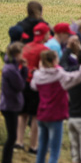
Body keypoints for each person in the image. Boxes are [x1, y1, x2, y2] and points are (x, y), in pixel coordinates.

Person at [31, 48, 81, 163]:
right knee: (54, 153)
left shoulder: (38, 76)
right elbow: (78, 76)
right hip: (55, 116)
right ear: (55, 60)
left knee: (42, 150)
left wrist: (40, 69)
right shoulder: (59, 76)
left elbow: (33, 86)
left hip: (42, 114)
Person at [19, 22, 52, 155]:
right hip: (36, 84)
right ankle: (33, 145)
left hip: (23, 82)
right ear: (44, 34)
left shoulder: (26, 47)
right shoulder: (44, 50)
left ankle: (19, 142)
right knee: (36, 116)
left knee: (22, 114)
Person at [1, 42, 27, 163]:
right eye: (22, 53)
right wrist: (25, 69)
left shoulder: (11, 66)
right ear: (17, 54)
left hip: (9, 104)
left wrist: (21, 67)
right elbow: (20, 85)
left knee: (12, 135)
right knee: (12, 136)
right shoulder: (11, 69)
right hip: (10, 106)